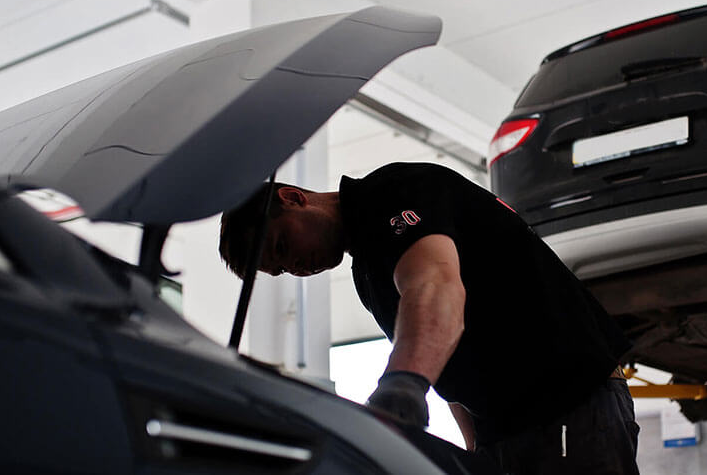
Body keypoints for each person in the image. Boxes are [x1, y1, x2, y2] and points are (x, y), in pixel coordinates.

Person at [218, 162, 639, 474]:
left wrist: (401, 385)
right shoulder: (366, 272)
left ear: (293, 198)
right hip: (504, 434)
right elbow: (444, 358)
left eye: (282, 245)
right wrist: (474, 451)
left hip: (567, 403)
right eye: (281, 270)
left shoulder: (394, 192)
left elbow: (435, 286)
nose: (294, 266)